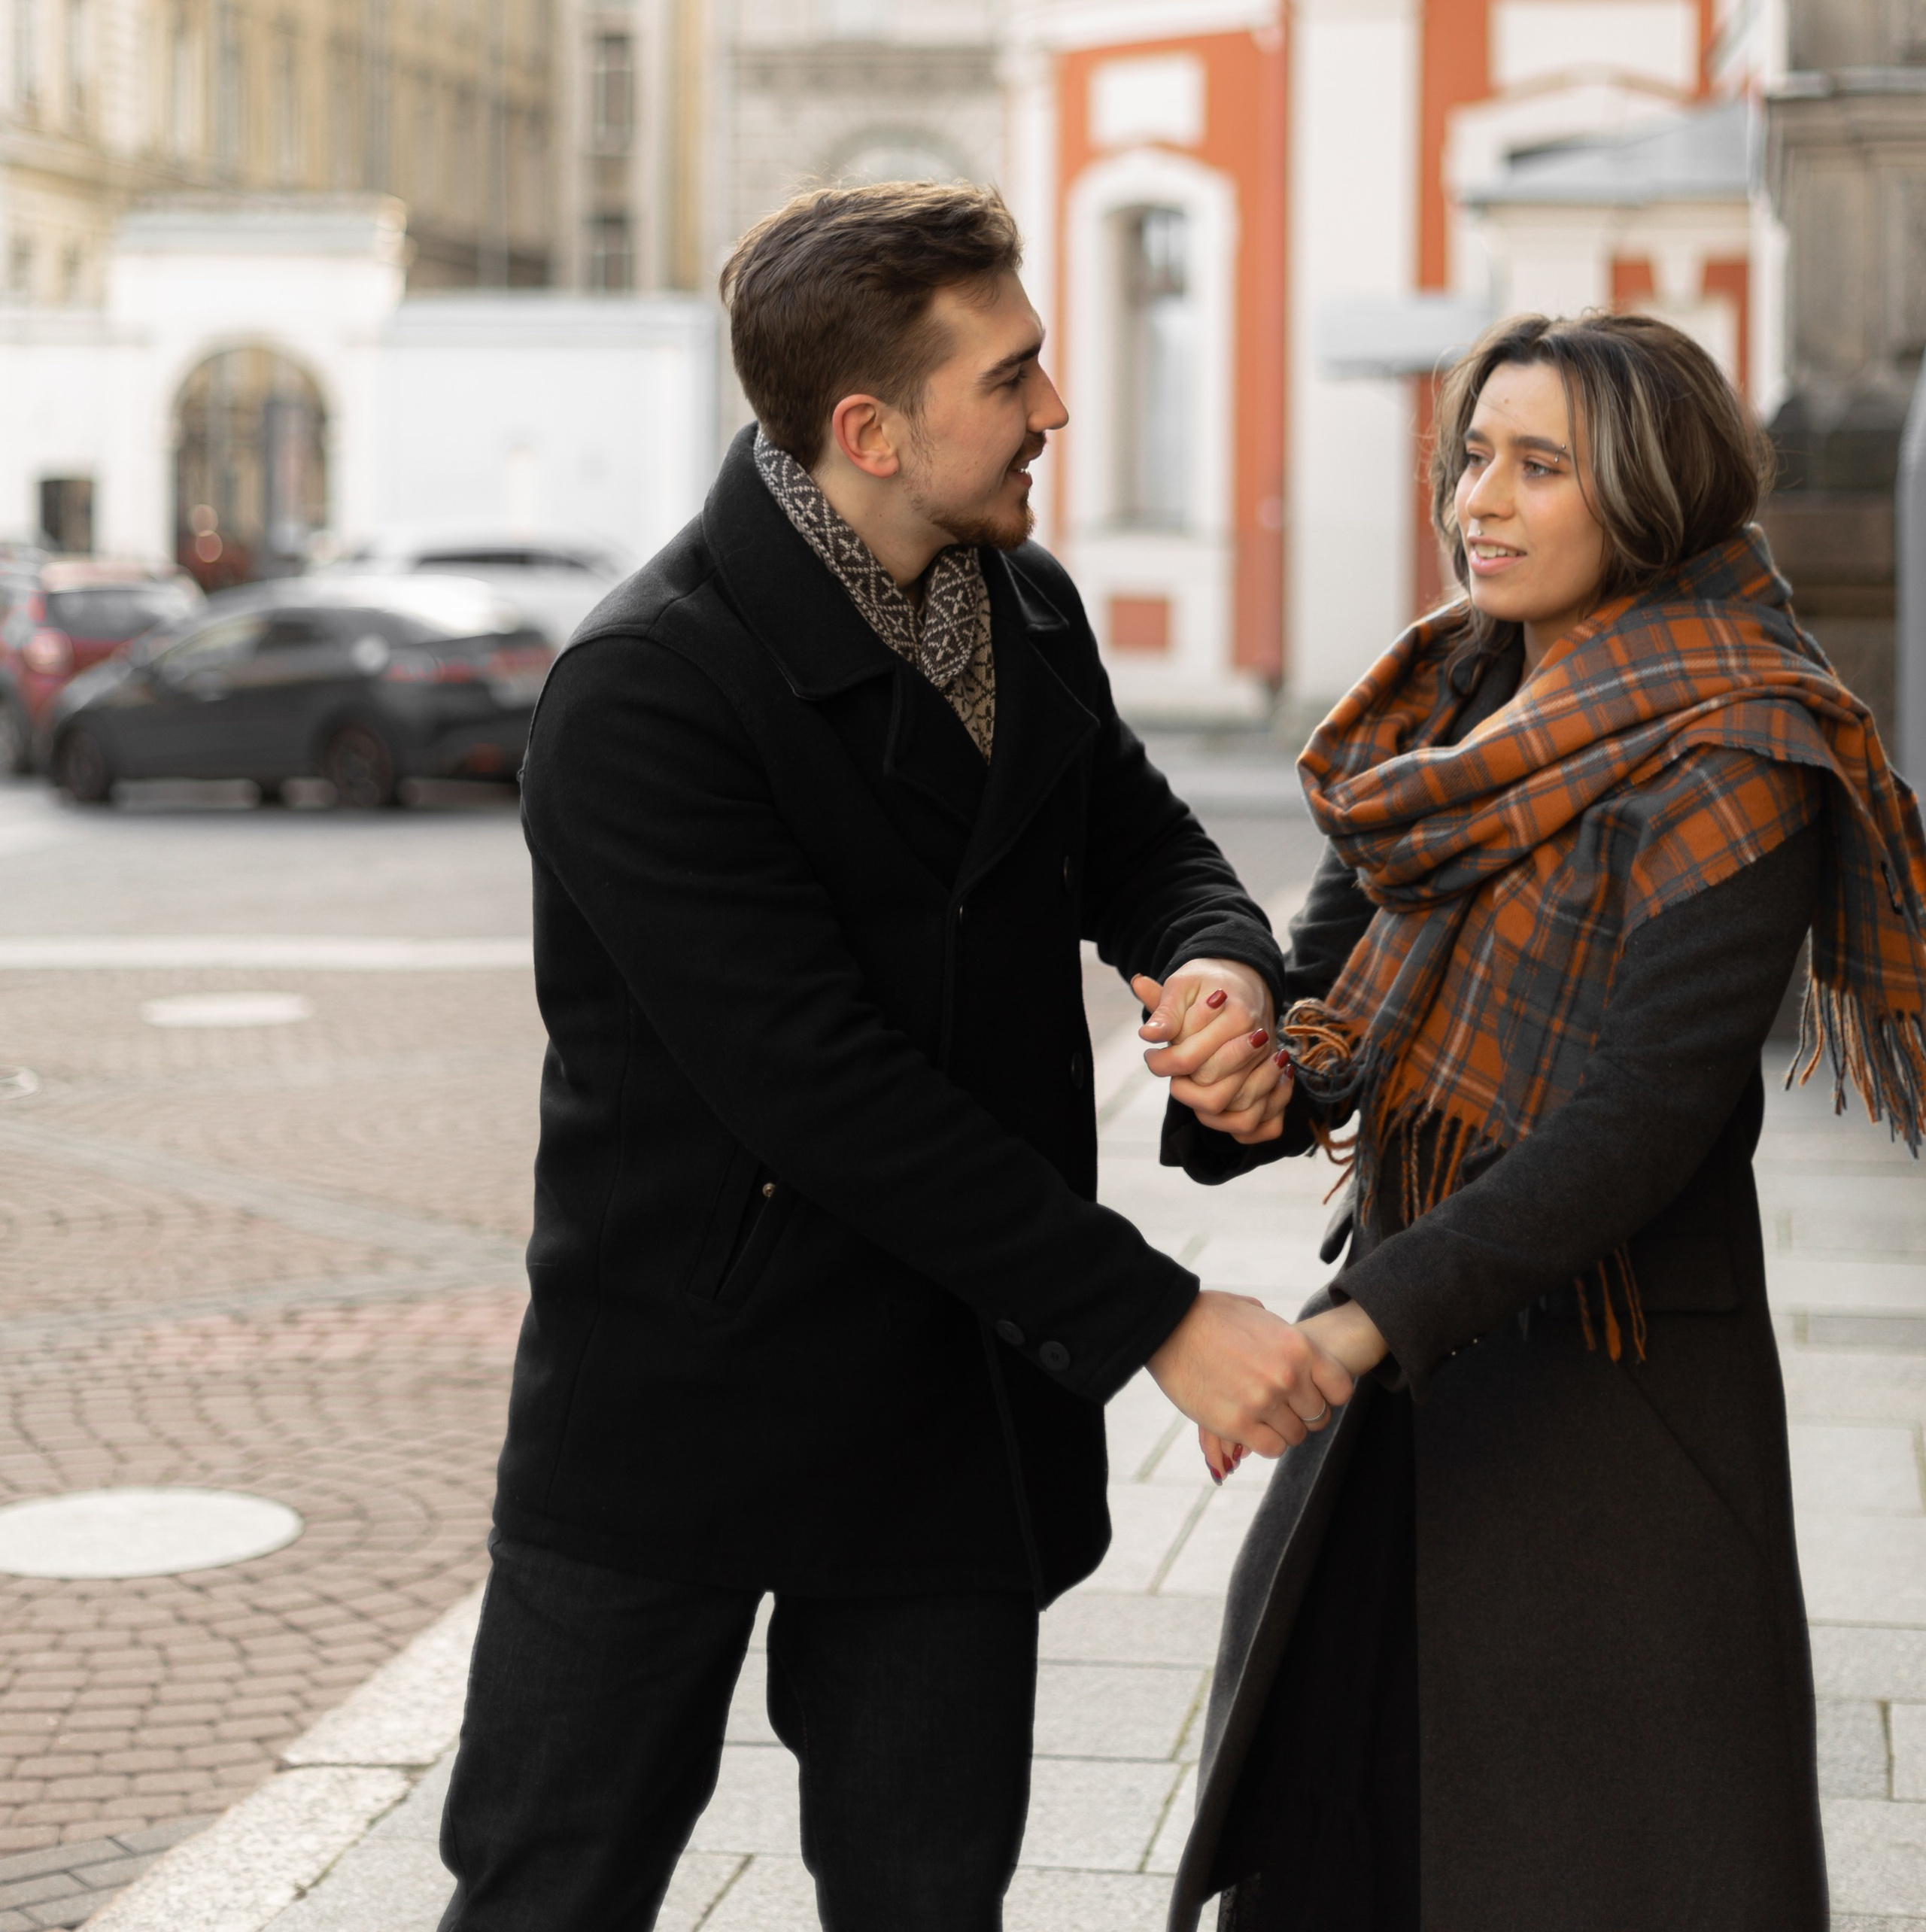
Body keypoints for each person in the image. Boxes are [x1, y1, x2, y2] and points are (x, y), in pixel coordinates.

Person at [436, 181, 1347, 1932]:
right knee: (551, 1890)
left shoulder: (1023, 606)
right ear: (867, 430)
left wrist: (1217, 970)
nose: (1052, 410)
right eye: (1008, 379)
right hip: (677, 1401)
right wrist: (1158, 1320)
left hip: (947, 1403)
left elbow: (1142, 842)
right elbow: (821, 1088)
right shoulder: (646, 687)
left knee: (927, 1899)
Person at [1154, 310, 1926, 1932]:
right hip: (1403, 1378)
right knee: (1338, 1841)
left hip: (1612, 1404)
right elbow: (1328, 997)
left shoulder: (1744, 739)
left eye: (1537, 466)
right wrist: (1247, 1071)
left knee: (1593, 1867)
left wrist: (1352, 1327)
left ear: (1644, 496)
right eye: (1471, 458)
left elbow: (1639, 1122)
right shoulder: (1448, 695)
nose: (1477, 503)